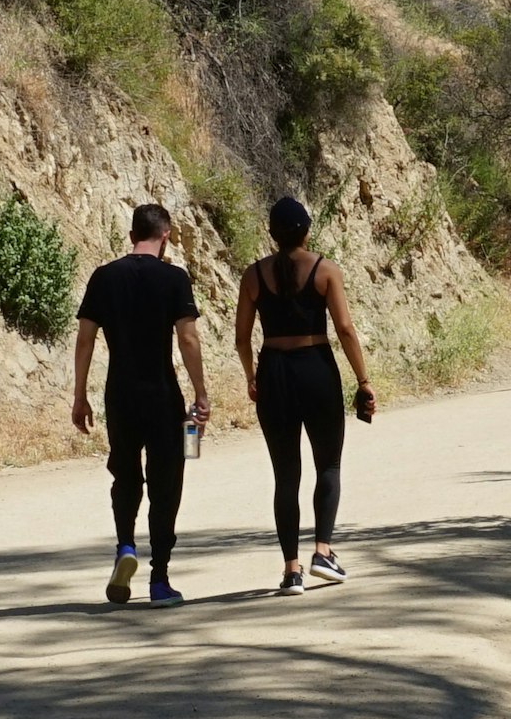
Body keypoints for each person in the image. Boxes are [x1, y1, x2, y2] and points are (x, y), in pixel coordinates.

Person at [233, 195, 375, 595]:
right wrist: (363, 381)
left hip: (273, 370)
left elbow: (242, 338)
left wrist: (251, 376)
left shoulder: (253, 275)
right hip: (315, 367)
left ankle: (291, 570)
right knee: (327, 464)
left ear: (272, 233)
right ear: (307, 230)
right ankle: (323, 552)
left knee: (285, 475)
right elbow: (345, 329)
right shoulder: (324, 269)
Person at [72, 201, 211, 604]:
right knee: (167, 482)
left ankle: (125, 547)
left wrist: (80, 396)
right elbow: (188, 339)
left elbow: (85, 339)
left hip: (119, 394)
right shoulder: (174, 279)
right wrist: (201, 393)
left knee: (125, 474)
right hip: (162, 394)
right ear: (165, 235)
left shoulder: (103, 277)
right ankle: (160, 579)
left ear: (132, 236)